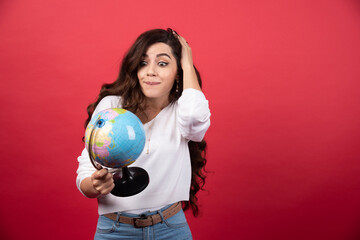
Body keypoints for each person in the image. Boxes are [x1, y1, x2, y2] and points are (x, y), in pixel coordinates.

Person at [76, 28, 211, 239]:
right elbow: (86, 170)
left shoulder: (182, 111)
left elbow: (196, 119)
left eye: (163, 63)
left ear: (178, 73)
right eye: (143, 63)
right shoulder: (112, 107)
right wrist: (94, 185)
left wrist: (187, 61)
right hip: (115, 230)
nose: (150, 71)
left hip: (170, 229)